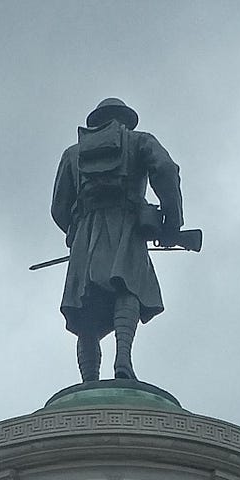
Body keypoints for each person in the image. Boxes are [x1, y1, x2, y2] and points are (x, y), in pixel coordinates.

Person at [50, 97, 184, 385]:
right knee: (128, 288)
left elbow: (58, 209)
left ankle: (89, 380)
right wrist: (172, 223)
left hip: (85, 232)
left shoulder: (72, 154)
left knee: (84, 305)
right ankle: (123, 357)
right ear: (125, 119)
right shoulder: (139, 141)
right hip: (127, 225)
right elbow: (166, 170)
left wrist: (75, 231)